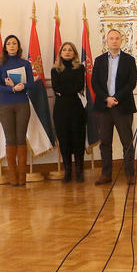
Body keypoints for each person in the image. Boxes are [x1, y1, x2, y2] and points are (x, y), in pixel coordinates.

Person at [91, 29, 137, 185]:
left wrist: (116, 98)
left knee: (127, 142)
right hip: (104, 107)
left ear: (121, 41)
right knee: (105, 142)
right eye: (111, 38)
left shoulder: (129, 60)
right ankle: (106, 174)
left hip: (122, 106)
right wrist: (106, 98)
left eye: (117, 38)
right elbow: (95, 83)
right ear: (107, 41)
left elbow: (131, 83)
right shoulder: (99, 60)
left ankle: (130, 174)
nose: (114, 41)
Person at [0, 34, 34, 187]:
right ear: (5, 47)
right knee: (10, 139)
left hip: (22, 104)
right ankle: (13, 178)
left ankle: (22, 178)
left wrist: (23, 86)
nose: (12, 46)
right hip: (5, 105)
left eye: (14, 43)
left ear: (18, 46)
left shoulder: (25, 64)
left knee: (21, 139)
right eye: (9, 43)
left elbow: (32, 84)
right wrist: (12, 88)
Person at [51, 42, 88, 183]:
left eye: (70, 50)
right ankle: (68, 172)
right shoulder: (55, 70)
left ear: (74, 53)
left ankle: (79, 171)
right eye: (64, 50)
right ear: (60, 53)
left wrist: (64, 90)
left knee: (78, 140)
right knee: (64, 140)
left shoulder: (80, 68)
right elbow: (56, 87)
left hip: (77, 108)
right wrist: (68, 89)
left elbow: (79, 86)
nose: (67, 52)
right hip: (61, 110)